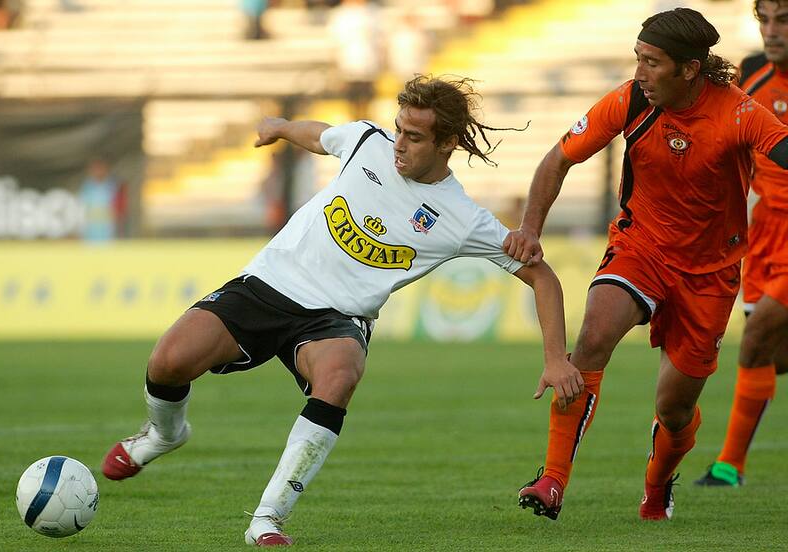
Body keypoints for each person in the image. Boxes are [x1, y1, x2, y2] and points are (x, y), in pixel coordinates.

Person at [100, 75, 584, 546]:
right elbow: (321, 136)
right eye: (398, 129)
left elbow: (542, 276)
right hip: (269, 284)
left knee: (341, 372)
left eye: (414, 137)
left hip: (335, 317)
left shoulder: (460, 218)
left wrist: (556, 357)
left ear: (447, 144)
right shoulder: (367, 143)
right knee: (167, 360)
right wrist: (282, 125)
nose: (398, 143)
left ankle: (267, 519)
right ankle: (164, 435)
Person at [503, 7, 788, 521]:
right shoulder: (633, 99)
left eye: (652, 63)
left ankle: (657, 489)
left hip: (710, 275)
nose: (639, 73)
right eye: (638, 59)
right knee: (590, 341)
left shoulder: (738, 112)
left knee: (674, 410)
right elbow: (559, 158)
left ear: (689, 69)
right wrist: (529, 228)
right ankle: (551, 480)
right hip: (641, 249)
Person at [695, 0, 788, 488]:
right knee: (774, 356)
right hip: (765, 234)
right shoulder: (750, 75)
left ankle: (729, 467)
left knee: (754, 344)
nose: (772, 31)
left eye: (784, 20)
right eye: (764, 20)